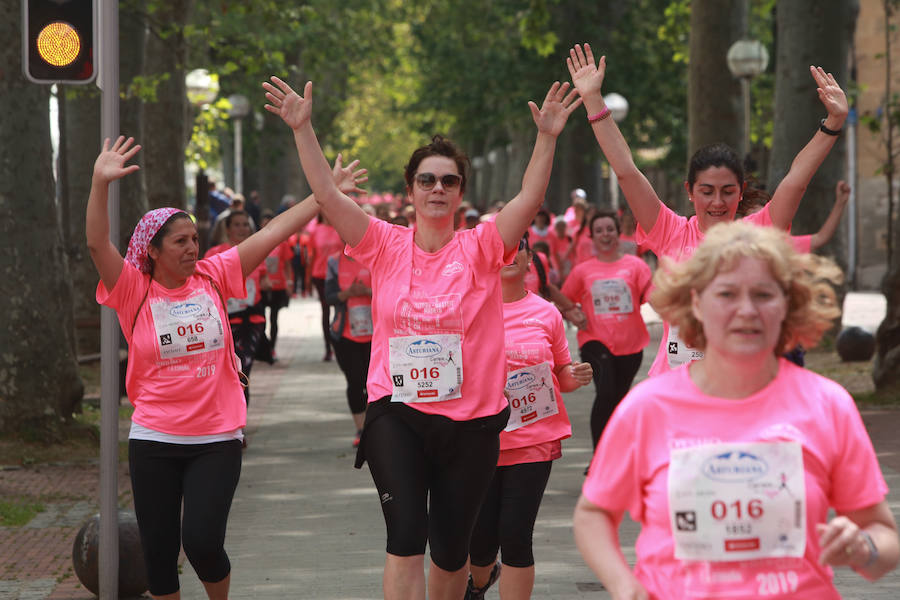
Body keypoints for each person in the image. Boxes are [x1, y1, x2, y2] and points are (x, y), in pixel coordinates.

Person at [263, 75, 580, 600]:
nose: (437, 189)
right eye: (427, 180)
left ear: (460, 192)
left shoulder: (483, 246)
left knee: (452, 551)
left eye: (448, 182)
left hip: (472, 423)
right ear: (410, 189)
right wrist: (303, 128)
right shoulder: (383, 243)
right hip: (398, 414)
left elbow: (530, 197)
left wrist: (546, 137)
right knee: (407, 534)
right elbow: (325, 194)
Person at [85, 136, 353, 600]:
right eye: (181, 242)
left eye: (195, 239)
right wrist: (98, 183)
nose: (193, 248)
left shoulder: (213, 274)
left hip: (216, 437)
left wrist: (324, 193)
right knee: (160, 553)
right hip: (154, 439)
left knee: (204, 543)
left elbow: (273, 234)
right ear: (152, 250)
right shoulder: (134, 291)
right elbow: (95, 242)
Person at [573, 221, 899, 599]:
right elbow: (593, 513)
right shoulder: (648, 407)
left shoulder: (828, 404)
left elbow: (884, 537)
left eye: (763, 294)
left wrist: (865, 548)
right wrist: (623, 585)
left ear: (787, 304)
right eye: (726, 294)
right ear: (696, 303)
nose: (746, 310)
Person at [566, 42, 849, 377]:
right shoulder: (670, 232)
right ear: (690, 192)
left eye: (728, 192)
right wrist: (594, 102)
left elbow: (795, 181)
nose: (717, 202)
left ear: (740, 192)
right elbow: (626, 170)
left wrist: (832, 124)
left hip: (742, 380)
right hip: (674, 386)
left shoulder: (760, 231)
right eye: (707, 191)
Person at [465, 234, 592, 600]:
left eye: (516, 246)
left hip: (534, 439)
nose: (508, 254)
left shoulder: (546, 312)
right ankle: (479, 582)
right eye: (499, 247)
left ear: (528, 259)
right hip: (480, 441)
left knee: (516, 534)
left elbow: (562, 375)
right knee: (480, 539)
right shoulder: (468, 309)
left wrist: (575, 376)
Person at [559, 210, 652, 451]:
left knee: (618, 399)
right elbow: (564, 300)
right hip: (594, 341)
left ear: (618, 232)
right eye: (599, 231)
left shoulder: (636, 266)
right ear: (591, 236)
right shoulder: (583, 270)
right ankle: (600, 457)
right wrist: (572, 312)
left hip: (631, 344)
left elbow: (651, 296)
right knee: (606, 393)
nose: (605, 235)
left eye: (609, 229)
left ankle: (618, 455)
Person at [205, 210, 272, 405]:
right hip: (224, 322)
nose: (242, 228)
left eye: (245, 224)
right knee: (226, 370)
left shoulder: (256, 251)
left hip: (253, 319)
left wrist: (267, 283)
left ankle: (240, 422)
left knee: (244, 368)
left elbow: (264, 278)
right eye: (237, 224)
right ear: (227, 228)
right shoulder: (215, 253)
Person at [324, 249, 372, 447]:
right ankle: (361, 429)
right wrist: (348, 293)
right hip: (345, 334)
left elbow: (391, 289)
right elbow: (329, 296)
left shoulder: (373, 257)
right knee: (355, 381)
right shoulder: (334, 261)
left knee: (373, 384)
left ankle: (374, 428)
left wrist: (367, 292)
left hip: (375, 334)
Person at [258, 210, 294, 358]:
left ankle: (272, 348)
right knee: (261, 319)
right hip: (261, 286)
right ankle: (262, 349)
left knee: (273, 318)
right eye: (264, 224)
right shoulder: (255, 242)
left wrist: (290, 283)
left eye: (269, 224)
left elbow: (287, 265)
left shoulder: (282, 243)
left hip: (278, 285)